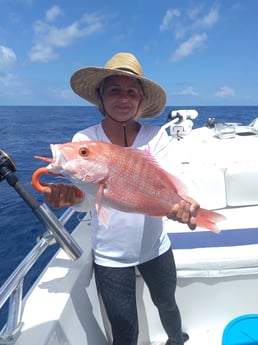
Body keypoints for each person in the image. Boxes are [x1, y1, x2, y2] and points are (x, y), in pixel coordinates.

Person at [44, 52, 200, 345]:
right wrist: (72, 198)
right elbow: (92, 199)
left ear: (141, 99)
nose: (123, 98)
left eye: (131, 91)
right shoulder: (84, 140)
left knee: (168, 304)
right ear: (100, 98)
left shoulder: (157, 137)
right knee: (125, 329)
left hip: (156, 248)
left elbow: (175, 183)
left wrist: (185, 204)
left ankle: (176, 340)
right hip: (110, 257)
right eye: (114, 90)